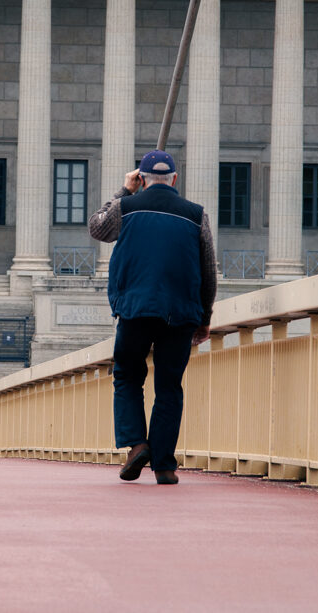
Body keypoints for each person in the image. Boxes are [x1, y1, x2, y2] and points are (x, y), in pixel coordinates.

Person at [88, 150, 216, 485]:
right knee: (169, 386)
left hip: (135, 308)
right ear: (175, 179)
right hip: (181, 312)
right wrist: (204, 317)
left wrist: (124, 192)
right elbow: (208, 271)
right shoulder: (196, 215)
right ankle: (164, 466)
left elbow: (97, 229)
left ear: (141, 178)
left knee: (128, 376)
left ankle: (136, 445)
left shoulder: (126, 208)